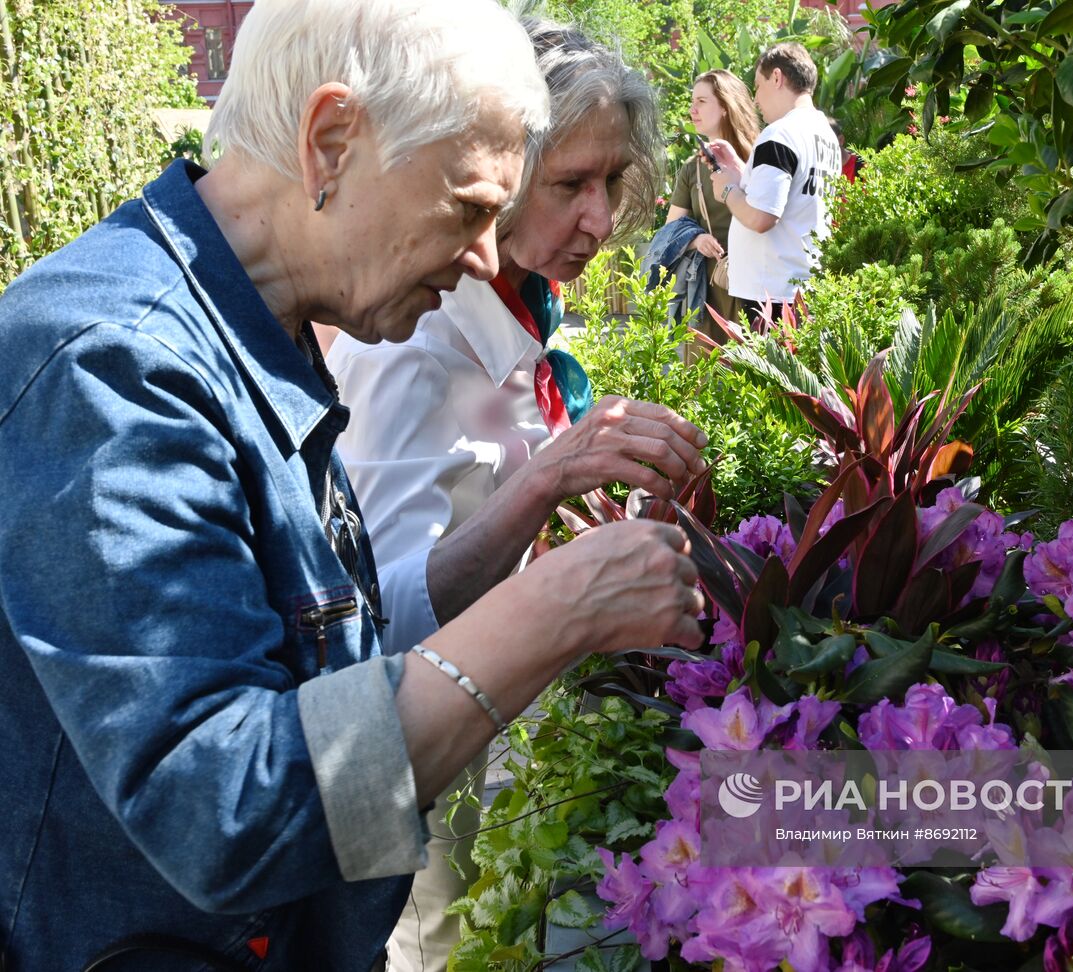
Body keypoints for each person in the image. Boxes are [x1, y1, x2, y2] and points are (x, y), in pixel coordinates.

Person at [0, 2, 705, 970]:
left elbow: (340, 651)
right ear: (332, 142)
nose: (483, 259)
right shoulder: (110, 364)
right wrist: (550, 617)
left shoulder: (254, 327)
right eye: (467, 208)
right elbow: (228, 814)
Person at [326, 20, 684, 972]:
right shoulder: (414, 339)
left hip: (485, 722)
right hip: (409, 757)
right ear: (501, 172)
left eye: (612, 182)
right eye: (571, 184)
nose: (602, 221)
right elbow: (376, 622)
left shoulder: (515, 313)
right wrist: (551, 478)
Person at [707, 43, 842, 328]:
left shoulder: (779, 134)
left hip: (771, 295)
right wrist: (739, 170)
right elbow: (790, 195)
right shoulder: (824, 134)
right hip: (804, 286)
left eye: (757, 86)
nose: (755, 99)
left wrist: (727, 191)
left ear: (777, 78)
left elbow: (761, 216)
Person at [664, 69, 761, 338]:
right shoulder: (692, 169)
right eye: (692, 101)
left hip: (758, 286)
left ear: (725, 107)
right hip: (710, 289)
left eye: (702, 102)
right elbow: (671, 229)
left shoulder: (760, 159)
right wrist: (696, 240)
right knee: (706, 375)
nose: (692, 109)